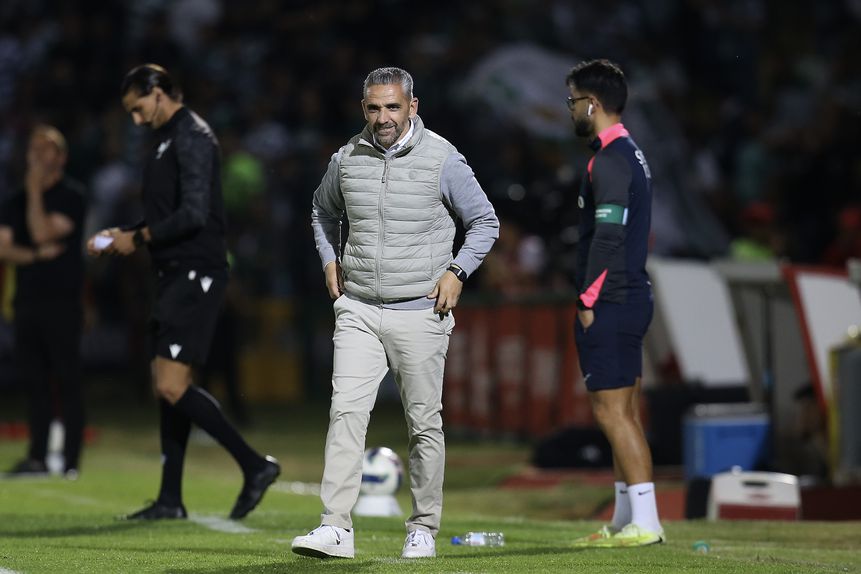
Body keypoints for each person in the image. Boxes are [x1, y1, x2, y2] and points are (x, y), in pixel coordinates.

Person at [292, 67, 499, 559]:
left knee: (423, 422)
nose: (382, 117)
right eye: (373, 108)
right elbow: (321, 211)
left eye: (391, 107)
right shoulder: (347, 158)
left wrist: (458, 272)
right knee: (345, 412)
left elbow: (485, 221)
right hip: (359, 308)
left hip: (420, 309)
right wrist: (329, 259)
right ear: (363, 108)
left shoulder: (443, 157)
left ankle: (423, 527)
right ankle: (336, 526)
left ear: (413, 106)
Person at [87, 64, 279, 520]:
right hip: (175, 272)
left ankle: (254, 466)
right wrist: (128, 232)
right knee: (168, 386)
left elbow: (194, 213)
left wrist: (139, 237)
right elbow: (171, 213)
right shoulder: (166, 138)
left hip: (196, 272)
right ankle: (171, 498)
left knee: (171, 385)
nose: (136, 120)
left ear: (157, 92)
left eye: (138, 108)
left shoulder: (191, 135)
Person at [565, 60, 664, 547]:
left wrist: (587, 298)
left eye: (572, 101)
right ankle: (629, 518)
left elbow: (607, 235)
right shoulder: (630, 153)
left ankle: (647, 522)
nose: (570, 111)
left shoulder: (609, 160)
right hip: (630, 295)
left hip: (612, 299)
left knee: (613, 415)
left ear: (593, 104)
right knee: (624, 412)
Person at [0, 125, 86, 479]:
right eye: (32, 147)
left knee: (67, 379)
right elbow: (3, 248)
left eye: (45, 148)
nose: (36, 153)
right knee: (33, 381)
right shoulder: (12, 199)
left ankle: (69, 461)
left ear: (61, 157)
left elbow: (42, 232)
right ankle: (37, 457)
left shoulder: (71, 196)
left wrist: (35, 192)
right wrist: (36, 257)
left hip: (62, 301)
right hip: (27, 301)